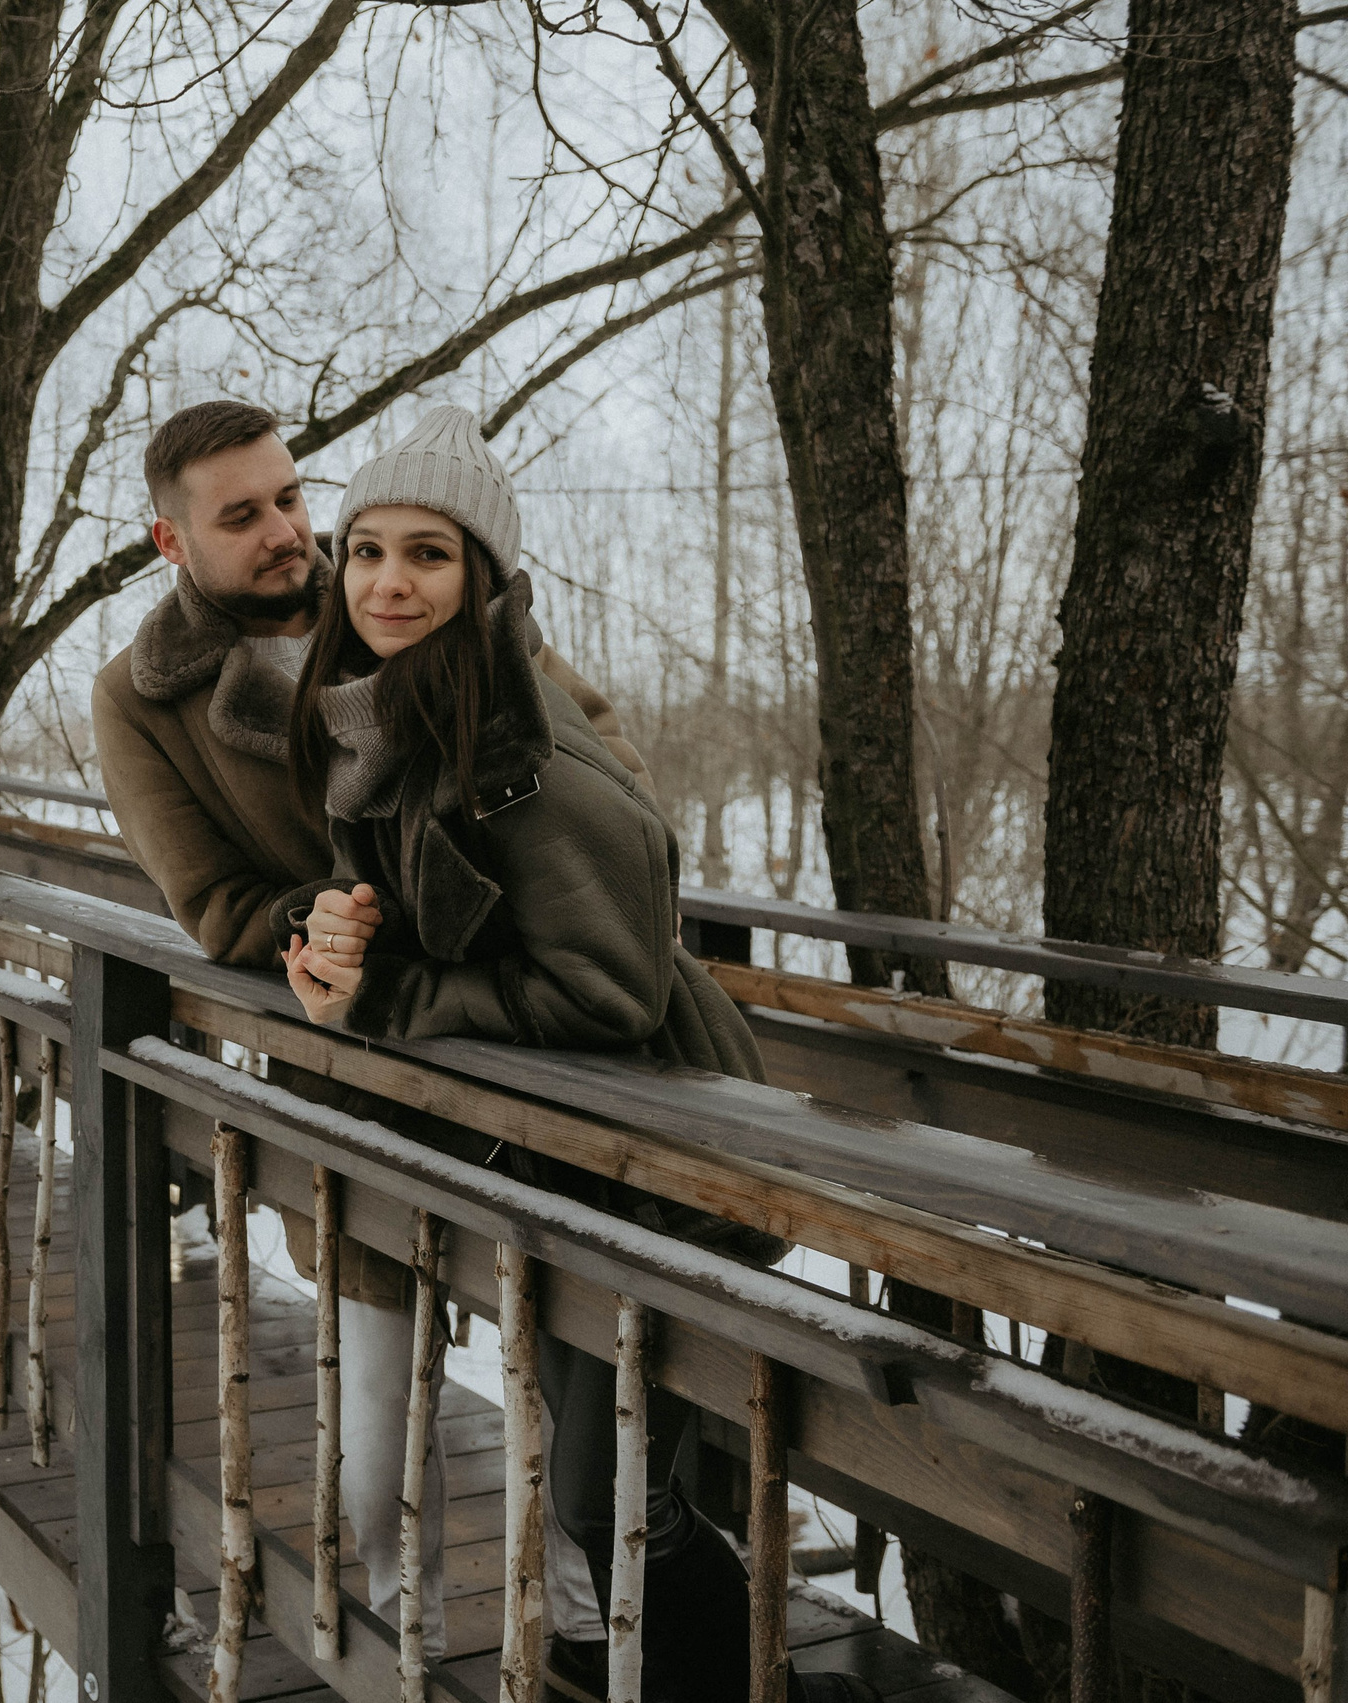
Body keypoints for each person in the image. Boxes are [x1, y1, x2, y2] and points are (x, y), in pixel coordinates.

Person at [273, 405, 859, 1703]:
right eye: (365, 549)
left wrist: (386, 997)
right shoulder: (394, 722)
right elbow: (451, 914)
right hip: (554, 1161)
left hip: (650, 1159)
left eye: (426, 553)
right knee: (606, 1501)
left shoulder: (530, 760)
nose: (386, 580)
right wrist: (338, 929)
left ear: (484, 575)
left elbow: (601, 987)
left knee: (612, 1504)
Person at [93, 399, 643, 1659]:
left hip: (520, 1049)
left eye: (291, 495)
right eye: (242, 515)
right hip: (352, 1077)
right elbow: (215, 902)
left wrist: (527, 893)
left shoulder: (404, 588)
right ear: (171, 542)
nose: (292, 532)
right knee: (369, 1437)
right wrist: (335, 921)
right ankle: (383, 1649)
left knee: (572, 1387)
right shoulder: (139, 699)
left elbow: (592, 751)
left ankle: (581, 1646)